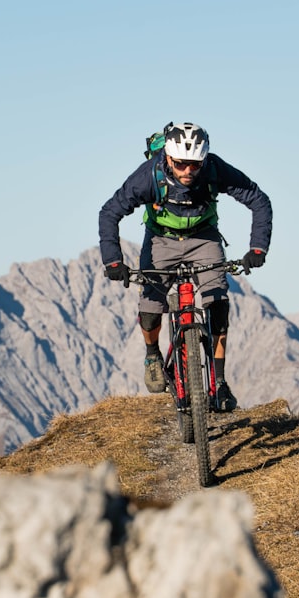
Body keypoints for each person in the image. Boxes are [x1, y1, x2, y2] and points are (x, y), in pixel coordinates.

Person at [98, 122, 273, 412]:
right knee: (150, 309)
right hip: (160, 240)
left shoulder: (214, 169)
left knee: (218, 302)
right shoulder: (148, 176)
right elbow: (110, 212)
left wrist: (258, 248)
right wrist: (113, 260)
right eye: (180, 164)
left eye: (194, 164)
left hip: (204, 238)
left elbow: (258, 200)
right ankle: (153, 355)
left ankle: (218, 383)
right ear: (167, 157)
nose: (188, 171)